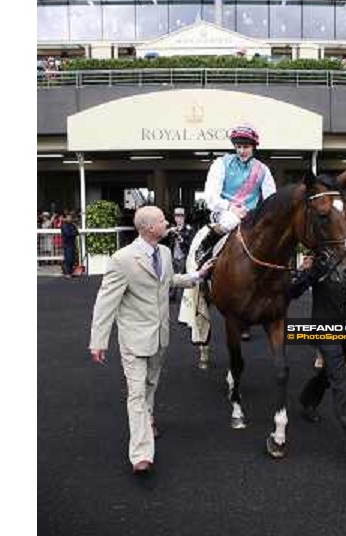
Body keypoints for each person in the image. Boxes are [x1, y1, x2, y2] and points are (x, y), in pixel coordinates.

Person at [89, 206, 213, 475]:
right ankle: (141, 454)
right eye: (161, 220)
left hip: (159, 337)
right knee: (136, 395)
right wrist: (98, 341)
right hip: (133, 340)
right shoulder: (122, 259)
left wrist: (197, 276)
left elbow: (169, 281)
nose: (167, 222)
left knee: (149, 387)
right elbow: (105, 302)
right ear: (148, 228)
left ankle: (148, 420)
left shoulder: (165, 253)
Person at [286, 248, 346, 480]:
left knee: (329, 375)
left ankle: (308, 400)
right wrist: (308, 273)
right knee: (342, 384)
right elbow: (292, 292)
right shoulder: (320, 262)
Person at [195, 125, 277, 266]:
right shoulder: (221, 163)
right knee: (231, 220)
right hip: (223, 212)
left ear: (253, 147)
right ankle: (205, 249)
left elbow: (271, 200)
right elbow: (210, 197)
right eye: (238, 147)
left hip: (250, 215)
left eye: (245, 147)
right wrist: (231, 207)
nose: (241, 151)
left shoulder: (263, 170)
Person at [162, 207, 195, 302]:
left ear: (184, 217)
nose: (179, 218)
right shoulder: (172, 229)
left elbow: (192, 245)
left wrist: (182, 240)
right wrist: (169, 231)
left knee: (183, 278)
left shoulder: (189, 229)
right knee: (171, 276)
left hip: (184, 257)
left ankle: (183, 299)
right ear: (174, 217)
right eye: (177, 215)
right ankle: (171, 296)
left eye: (181, 215)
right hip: (173, 257)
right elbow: (162, 240)